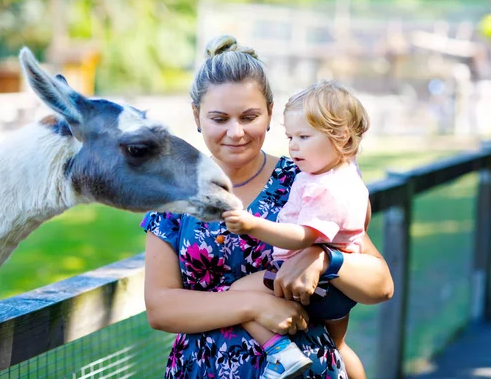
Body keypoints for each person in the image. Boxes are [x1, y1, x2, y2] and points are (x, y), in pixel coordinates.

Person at [142, 34, 393, 379]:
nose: (235, 132)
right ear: (197, 116)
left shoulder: (309, 180)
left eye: (249, 117)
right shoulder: (172, 196)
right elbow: (160, 308)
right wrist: (254, 304)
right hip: (204, 369)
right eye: (219, 118)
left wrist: (326, 259)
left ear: (270, 114)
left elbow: (381, 284)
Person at [223, 80, 370, 379]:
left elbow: (305, 236)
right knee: (339, 346)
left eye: (304, 136)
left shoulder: (325, 187)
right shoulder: (343, 172)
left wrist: (254, 225)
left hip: (317, 282)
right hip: (339, 288)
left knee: (237, 293)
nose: (292, 146)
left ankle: (280, 352)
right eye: (290, 136)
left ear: (340, 137)